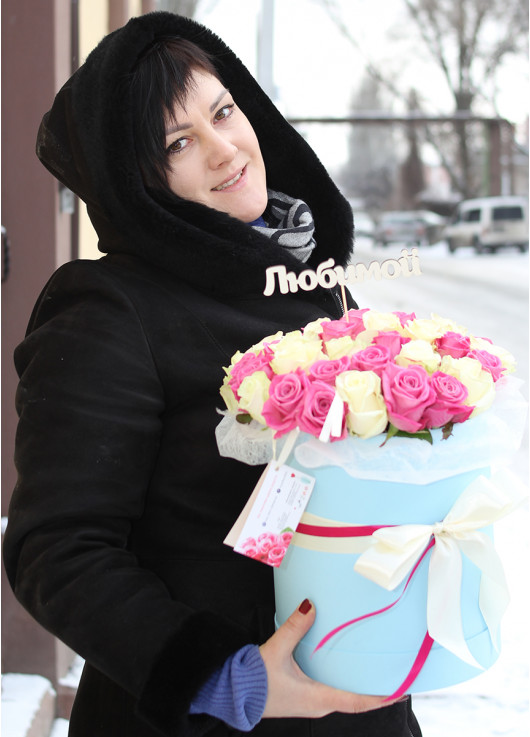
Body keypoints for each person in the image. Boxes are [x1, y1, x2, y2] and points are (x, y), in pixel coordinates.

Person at [3, 12, 422, 737]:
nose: (226, 148)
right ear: (138, 181)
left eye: (223, 111)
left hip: (362, 702)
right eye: (178, 142)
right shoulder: (109, 310)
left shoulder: (311, 278)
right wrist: (223, 676)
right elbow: (59, 548)